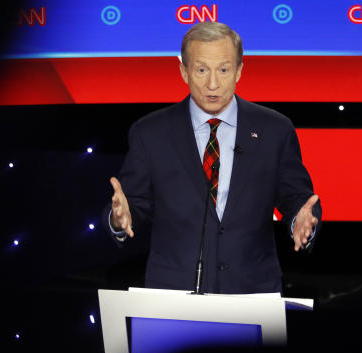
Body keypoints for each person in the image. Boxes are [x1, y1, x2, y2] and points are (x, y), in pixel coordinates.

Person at [103, 21, 321, 294]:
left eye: (224, 69)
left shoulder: (275, 129)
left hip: (252, 292)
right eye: (202, 69)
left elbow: (296, 199)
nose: (213, 83)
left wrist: (300, 221)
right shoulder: (150, 133)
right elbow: (132, 204)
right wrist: (119, 219)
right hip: (172, 294)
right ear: (184, 71)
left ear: (239, 71)